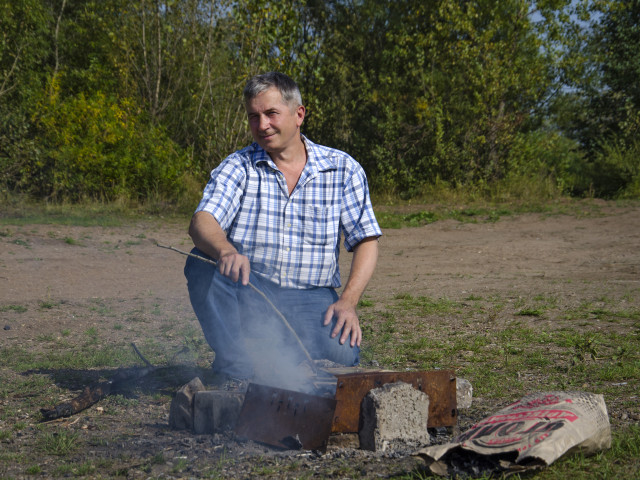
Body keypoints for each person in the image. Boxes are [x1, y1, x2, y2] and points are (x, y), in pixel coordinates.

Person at [184, 72, 381, 385]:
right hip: (251, 292)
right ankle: (237, 371)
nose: (262, 126)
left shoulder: (343, 169)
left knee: (342, 355)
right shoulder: (238, 166)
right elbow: (202, 220)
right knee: (201, 260)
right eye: (254, 116)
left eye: (271, 114)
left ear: (298, 114)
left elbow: (366, 240)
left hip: (312, 298)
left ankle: (275, 354)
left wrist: (348, 302)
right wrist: (226, 250)